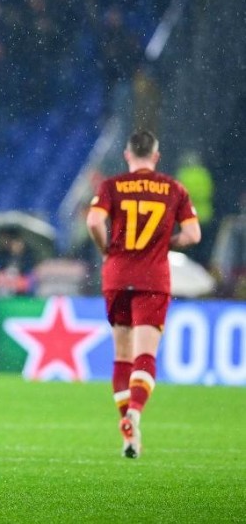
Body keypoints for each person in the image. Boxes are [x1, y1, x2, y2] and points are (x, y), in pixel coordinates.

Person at [86, 129, 201, 459]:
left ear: (127, 154)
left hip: (117, 277)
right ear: (156, 155)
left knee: (121, 355)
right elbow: (193, 234)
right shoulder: (173, 188)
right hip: (152, 278)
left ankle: (128, 434)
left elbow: (94, 222)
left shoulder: (112, 186)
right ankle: (135, 411)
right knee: (145, 356)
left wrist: (106, 248)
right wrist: (168, 242)